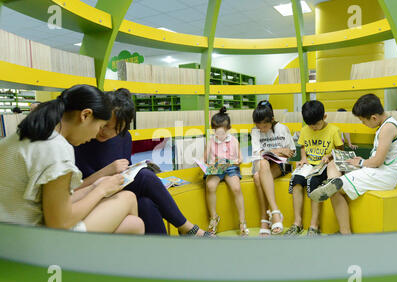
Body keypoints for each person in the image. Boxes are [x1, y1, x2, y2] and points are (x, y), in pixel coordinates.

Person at [0, 84, 144, 235]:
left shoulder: (23, 135)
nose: (96, 134)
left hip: (9, 237)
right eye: (100, 126)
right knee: (128, 198)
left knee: (133, 224)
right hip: (34, 241)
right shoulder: (57, 148)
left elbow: (52, 202)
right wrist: (101, 190)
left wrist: (94, 186)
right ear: (85, 115)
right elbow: (60, 223)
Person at [74, 88, 212, 237]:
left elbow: (125, 173)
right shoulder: (81, 137)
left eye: (114, 129)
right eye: (104, 125)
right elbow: (73, 190)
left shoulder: (123, 138)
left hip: (116, 192)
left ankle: (165, 254)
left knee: (146, 203)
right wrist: (106, 172)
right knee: (144, 176)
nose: (105, 131)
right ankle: (188, 228)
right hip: (90, 198)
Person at [309, 94, 397, 235]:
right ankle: (333, 182)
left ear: (374, 118)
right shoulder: (386, 125)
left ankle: (345, 232)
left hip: (384, 175)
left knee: (335, 190)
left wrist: (362, 162)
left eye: (363, 121)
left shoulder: (387, 129)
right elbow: (377, 159)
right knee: (334, 164)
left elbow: (378, 161)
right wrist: (359, 161)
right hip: (378, 170)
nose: (363, 124)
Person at [286, 100, 344, 236]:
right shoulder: (305, 130)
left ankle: (314, 225)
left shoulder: (334, 130)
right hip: (308, 165)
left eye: (316, 124)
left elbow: (340, 149)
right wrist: (303, 158)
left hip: (323, 165)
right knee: (296, 181)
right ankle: (297, 223)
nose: (313, 128)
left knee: (314, 184)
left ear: (324, 117)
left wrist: (329, 156)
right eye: (310, 125)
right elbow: (303, 145)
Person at [251, 100, 296, 236]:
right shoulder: (255, 131)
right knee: (263, 163)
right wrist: (278, 150)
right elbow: (257, 153)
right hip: (262, 163)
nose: (262, 128)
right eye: (259, 125)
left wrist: (278, 152)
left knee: (258, 177)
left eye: (265, 125)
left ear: (272, 119)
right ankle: (275, 212)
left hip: (280, 164)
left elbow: (291, 151)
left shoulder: (282, 129)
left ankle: (265, 220)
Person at [204, 107, 247, 236]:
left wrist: (238, 161)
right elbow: (204, 158)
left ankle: (242, 221)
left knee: (236, 188)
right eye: (216, 131)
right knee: (210, 186)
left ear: (228, 129)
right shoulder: (211, 141)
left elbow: (240, 158)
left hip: (230, 168)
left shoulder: (233, 140)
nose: (219, 135)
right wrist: (205, 164)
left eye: (222, 131)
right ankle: (213, 218)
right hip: (216, 169)